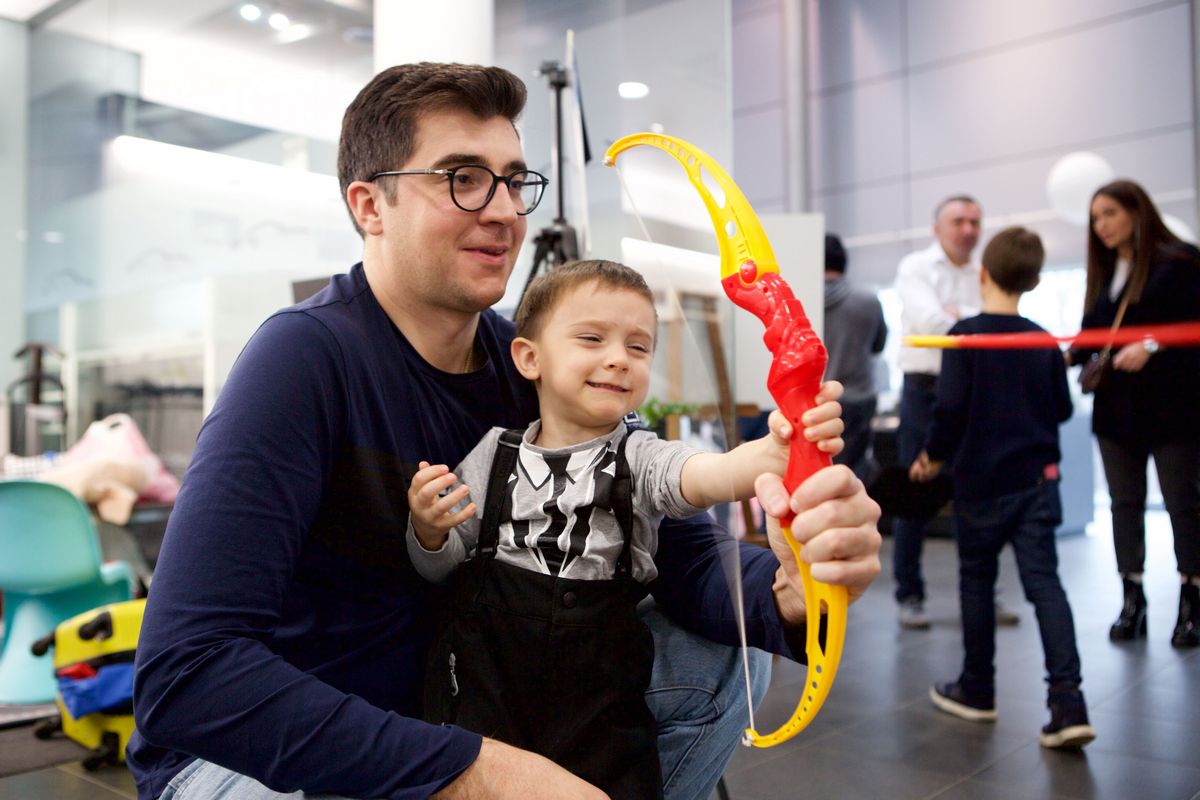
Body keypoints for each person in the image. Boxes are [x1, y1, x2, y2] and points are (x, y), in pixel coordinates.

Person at [129, 62, 883, 800]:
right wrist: (474, 771)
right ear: (370, 206)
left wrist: (788, 590)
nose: (504, 212)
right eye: (462, 177)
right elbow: (187, 673)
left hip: (464, 696)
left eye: (514, 181)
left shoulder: (527, 362)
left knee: (727, 659)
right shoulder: (303, 359)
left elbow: (673, 547)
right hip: (279, 749)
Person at [408, 259, 804, 797]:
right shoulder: (493, 453)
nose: (619, 358)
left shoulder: (641, 457)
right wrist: (429, 530)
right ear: (529, 358)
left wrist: (774, 453)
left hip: (600, 702)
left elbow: (707, 474)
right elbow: (443, 563)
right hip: (488, 686)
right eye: (592, 338)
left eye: (639, 347)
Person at [911, 226, 1095, 750]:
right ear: (1033, 282)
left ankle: (978, 689)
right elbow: (1062, 409)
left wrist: (931, 457)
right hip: (1036, 485)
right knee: (1045, 586)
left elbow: (950, 410)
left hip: (980, 485)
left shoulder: (966, 336)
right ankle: (1068, 705)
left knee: (976, 581)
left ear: (984, 274)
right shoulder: (1042, 340)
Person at [1066, 179, 1200, 647]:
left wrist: (1153, 345)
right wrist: (1058, 356)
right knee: (1124, 504)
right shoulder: (1106, 272)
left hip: (1173, 408)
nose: (1101, 225)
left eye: (1110, 213)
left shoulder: (1180, 261)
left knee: (1183, 502)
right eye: (1095, 218)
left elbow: (1191, 324)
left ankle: (1191, 599)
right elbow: (1089, 334)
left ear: (1136, 212)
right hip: (1116, 411)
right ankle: (1132, 598)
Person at [822, 233, 886, 481]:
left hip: (818, 402)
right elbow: (879, 346)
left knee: (817, 475)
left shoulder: (800, 302)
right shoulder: (868, 302)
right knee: (853, 475)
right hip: (859, 399)